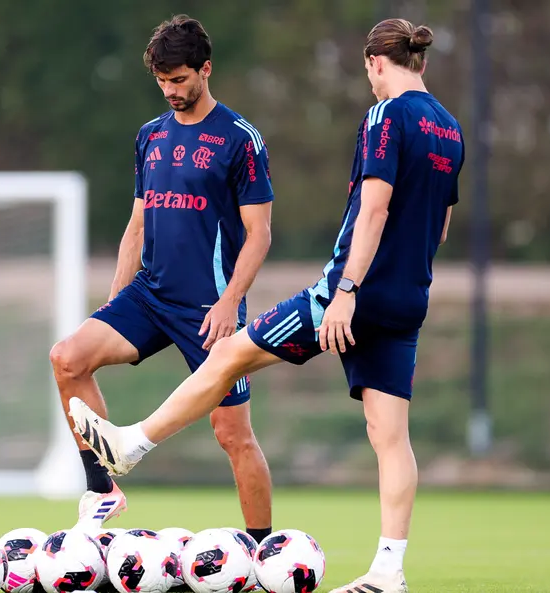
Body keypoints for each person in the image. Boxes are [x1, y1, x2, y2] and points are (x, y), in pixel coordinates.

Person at [68, 18, 464, 593]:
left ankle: (132, 444)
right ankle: (388, 572)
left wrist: (347, 292)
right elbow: (442, 225)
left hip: (349, 295)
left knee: (228, 353)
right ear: (420, 61)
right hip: (408, 299)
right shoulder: (451, 129)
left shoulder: (386, 115)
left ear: (376, 63)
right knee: (390, 437)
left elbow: (374, 211)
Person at [49, 14, 276, 542]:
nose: (171, 90)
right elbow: (136, 226)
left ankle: (266, 550)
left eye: (179, 79)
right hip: (150, 295)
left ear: (205, 69)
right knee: (68, 357)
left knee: (233, 434)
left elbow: (259, 233)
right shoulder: (149, 137)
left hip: (209, 309)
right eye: (162, 81)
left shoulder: (240, 139)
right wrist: (113, 303)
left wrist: (229, 303)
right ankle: (104, 492)